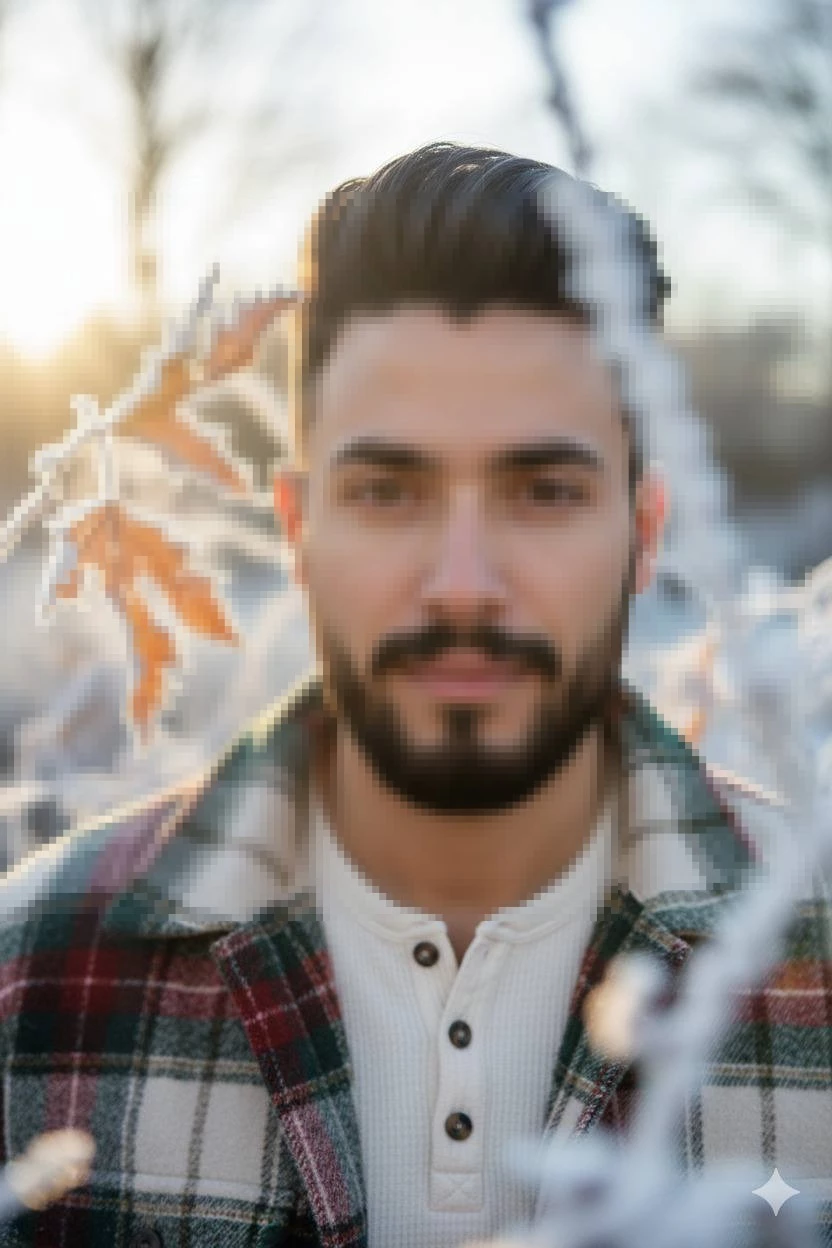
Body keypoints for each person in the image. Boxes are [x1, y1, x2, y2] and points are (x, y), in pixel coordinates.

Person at [0, 142, 829, 1248]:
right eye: (389, 491)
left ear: (642, 534)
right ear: (298, 533)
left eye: (542, 490)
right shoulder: (31, 974)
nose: (462, 584)